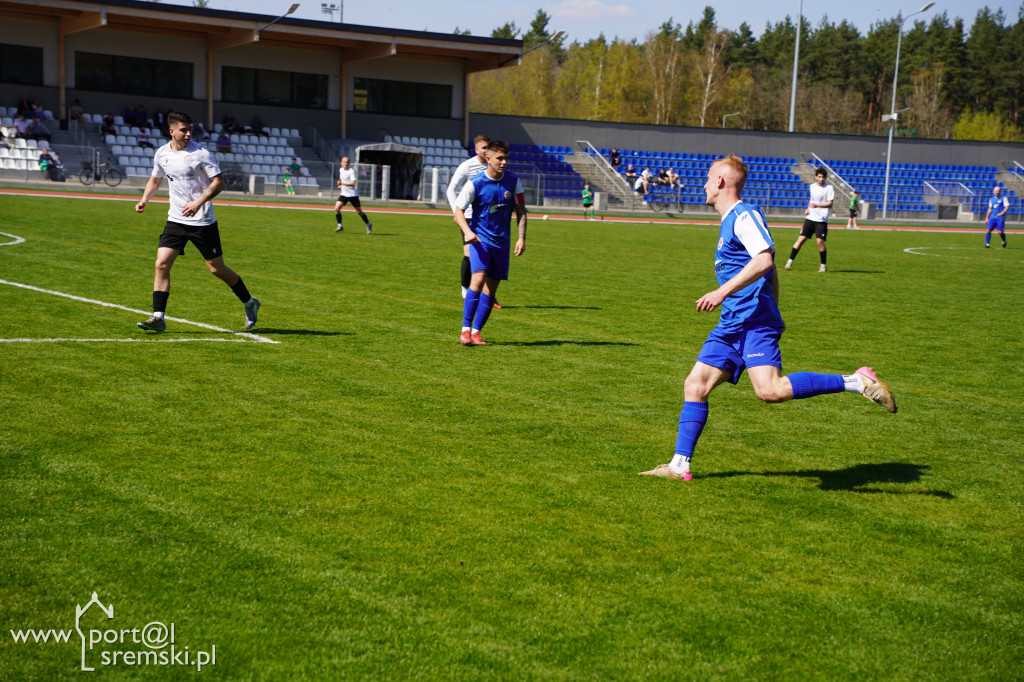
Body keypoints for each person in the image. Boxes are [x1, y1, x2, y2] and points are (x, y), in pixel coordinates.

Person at [639, 154, 896, 482]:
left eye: (708, 178)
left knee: (770, 391)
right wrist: (773, 304)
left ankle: (857, 381)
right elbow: (770, 268)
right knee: (695, 385)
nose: (703, 184)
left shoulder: (743, 216)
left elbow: (764, 260)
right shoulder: (730, 220)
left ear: (720, 182)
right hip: (732, 324)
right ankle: (679, 465)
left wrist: (723, 294)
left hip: (753, 322)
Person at [134, 111, 260, 333]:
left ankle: (249, 302)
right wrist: (144, 199)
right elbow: (155, 180)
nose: (188, 133)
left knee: (216, 269)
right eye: (184, 129)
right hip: (175, 219)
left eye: (190, 129)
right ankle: (158, 317)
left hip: (202, 221)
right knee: (161, 263)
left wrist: (198, 202)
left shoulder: (201, 153)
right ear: (171, 131)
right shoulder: (161, 153)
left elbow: (219, 182)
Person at [454, 140, 527, 346]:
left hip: (502, 244)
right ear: (488, 159)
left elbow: (521, 211)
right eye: (499, 158)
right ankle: (465, 329)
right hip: (480, 240)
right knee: (477, 281)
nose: (504, 162)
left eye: (506, 158)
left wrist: (521, 238)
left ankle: (477, 332)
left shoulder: (513, 181)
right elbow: (458, 212)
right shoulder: (475, 183)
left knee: (491, 289)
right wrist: (467, 232)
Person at [447, 134, 496, 301]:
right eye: (483, 147)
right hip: (468, 217)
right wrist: (456, 212)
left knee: (489, 254)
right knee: (469, 253)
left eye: (488, 147)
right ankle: (465, 289)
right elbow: (451, 189)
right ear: (476, 149)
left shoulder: (493, 165)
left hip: (487, 217)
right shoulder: (467, 166)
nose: (486, 150)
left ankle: (489, 294)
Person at [785, 167, 834, 273]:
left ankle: (823, 265)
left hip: (821, 219)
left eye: (823, 177)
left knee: (819, 241)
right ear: (816, 177)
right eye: (819, 176)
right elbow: (812, 199)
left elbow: (830, 203)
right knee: (800, 240)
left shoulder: (829, 188)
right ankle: (789, 262)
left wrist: (817, 205)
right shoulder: (812, 187)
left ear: (825, 178)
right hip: (810, 218)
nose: (821, 179)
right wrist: (808, 208)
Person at [333, 156, 372, 234]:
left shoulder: (351, 171)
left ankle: (368, 224)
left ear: (349, 163)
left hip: (353, 195)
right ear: (341, 163)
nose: (346, 163)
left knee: (359, 212)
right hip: (344, 194)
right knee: (337, 208)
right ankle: (340, 226)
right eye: (344, 162)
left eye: (347, 162)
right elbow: (342, 180)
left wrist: (342, 183)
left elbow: (353, 183)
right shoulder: (340, 170)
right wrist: (340, 185)